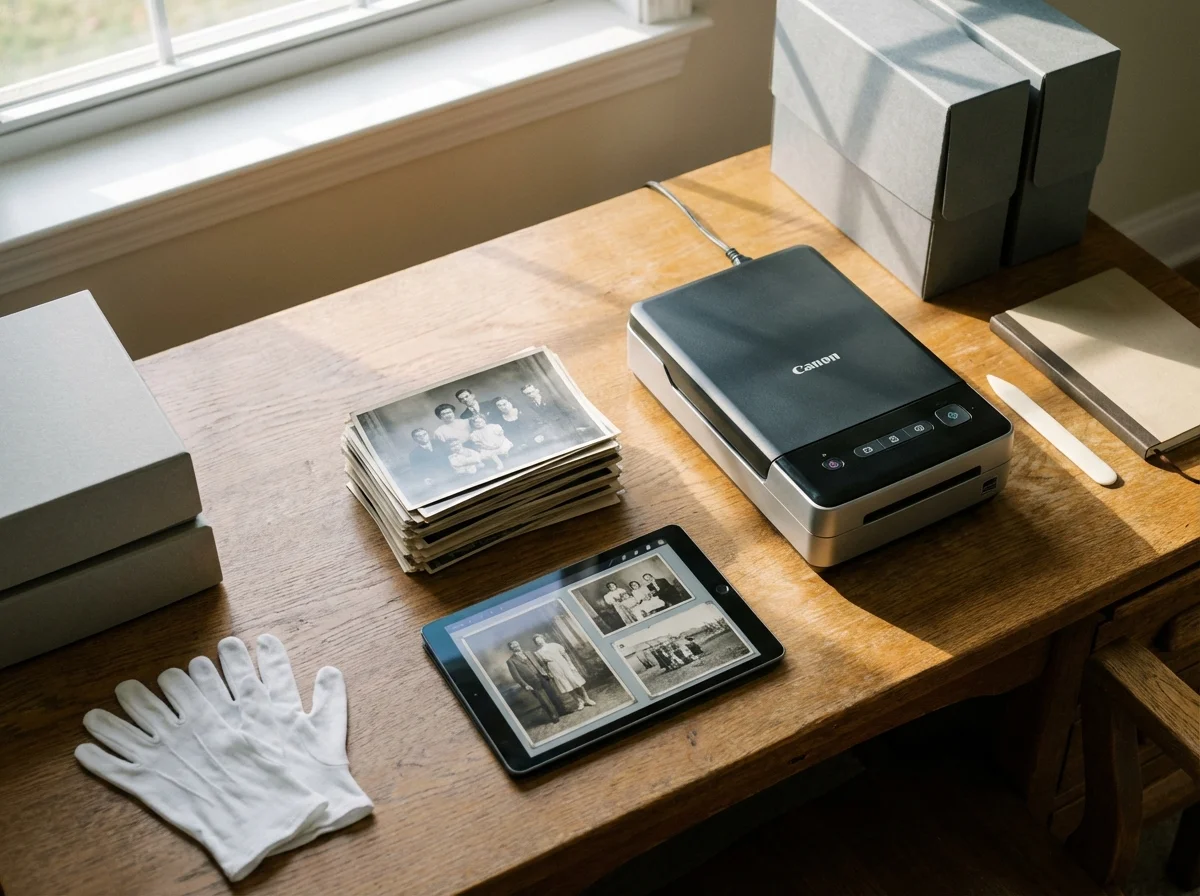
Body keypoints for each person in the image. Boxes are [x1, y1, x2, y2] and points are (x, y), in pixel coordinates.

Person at [505, 640, 563, 724]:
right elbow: (516, 676)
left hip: (542, 676)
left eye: (517, 644)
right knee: (543, 700)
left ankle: (562, 711)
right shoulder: (511, 661)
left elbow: (540, 663)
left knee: (553, 694)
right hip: (531, 682)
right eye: (514, 645)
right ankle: (553, 716)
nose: (516, 646)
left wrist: (546, 672)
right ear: (511, 648)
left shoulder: (529, 653)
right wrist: (525, 685)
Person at [533, 634, 595, 710]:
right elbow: (543, 664)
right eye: (537, 641)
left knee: (576, 681)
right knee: (565, 685)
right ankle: (579, 701)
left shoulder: (554, 645)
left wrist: (571, 664)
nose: (539, 641)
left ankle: (587, 699)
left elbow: (565, 655)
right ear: (536, 643)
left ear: (543, 638)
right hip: (554, 668)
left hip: (564, 664)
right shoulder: (538, 653)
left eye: (540, 639)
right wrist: (549, 673)